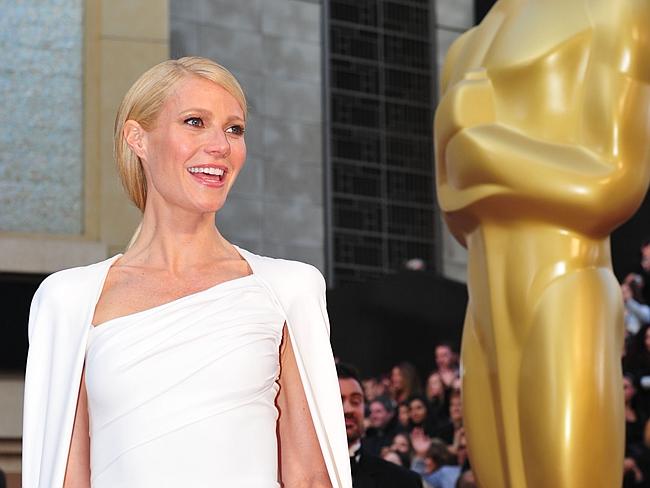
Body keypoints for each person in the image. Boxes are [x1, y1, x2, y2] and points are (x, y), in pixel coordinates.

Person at [22, 57, 351, 488]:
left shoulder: (288, 288)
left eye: (234, 129)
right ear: (137, 138)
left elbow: (308, 477)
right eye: (195, 122)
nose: (220, 144)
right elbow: (65, 479)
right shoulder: (69, 298)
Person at [435, 0, 650, 485]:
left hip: (565, 291)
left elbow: (614, 180)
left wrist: (482, 149)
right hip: (483, 319)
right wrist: (482, 158)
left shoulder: (613, 10)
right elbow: (453, 204)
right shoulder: (463, 49)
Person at [337, 363, 422, 488]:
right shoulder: (299, 475)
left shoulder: (402, 482)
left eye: (355, 401)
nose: (348, 409)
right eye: (338, 400)